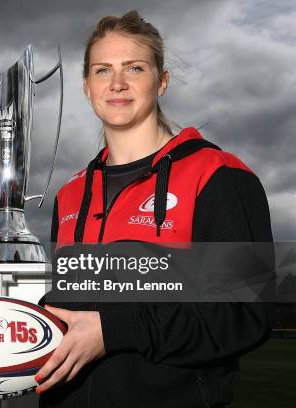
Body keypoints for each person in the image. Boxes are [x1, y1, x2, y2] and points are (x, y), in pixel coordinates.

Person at [35, 10, 273, 408]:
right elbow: (76, 304)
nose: (117, 84)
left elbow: (243, 314)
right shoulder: (71, 193)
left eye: (134, 68)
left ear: (161, 81)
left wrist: (114, 331)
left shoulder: (218, 175)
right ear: (86, 87)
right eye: (101, 71)